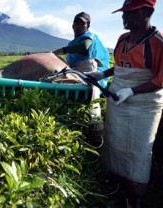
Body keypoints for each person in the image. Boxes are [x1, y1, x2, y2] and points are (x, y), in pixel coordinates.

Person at [87, 0, 163, 206]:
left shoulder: (158, 43)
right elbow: (120, 67)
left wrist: (131, 91)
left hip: (144, 106)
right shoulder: (123, 39)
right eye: (123, 13)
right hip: (118, 101)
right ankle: (116, 184)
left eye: (130, 13)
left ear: (148, 11)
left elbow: (160, 80)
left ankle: (136, 196)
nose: (124, 18)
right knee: (114, 142)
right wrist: (103, 72)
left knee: (139, 150)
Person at [53, 12, 110, 139]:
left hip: (88, 69)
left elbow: (85, 47)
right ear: (72, 25)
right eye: (76, 23)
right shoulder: (71, 42)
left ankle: (97, 129)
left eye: (82, 23)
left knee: (92, 95)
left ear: (87, 26)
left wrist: (62, 50)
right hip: (73, 70)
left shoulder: (89, 36)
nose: (79, 26)